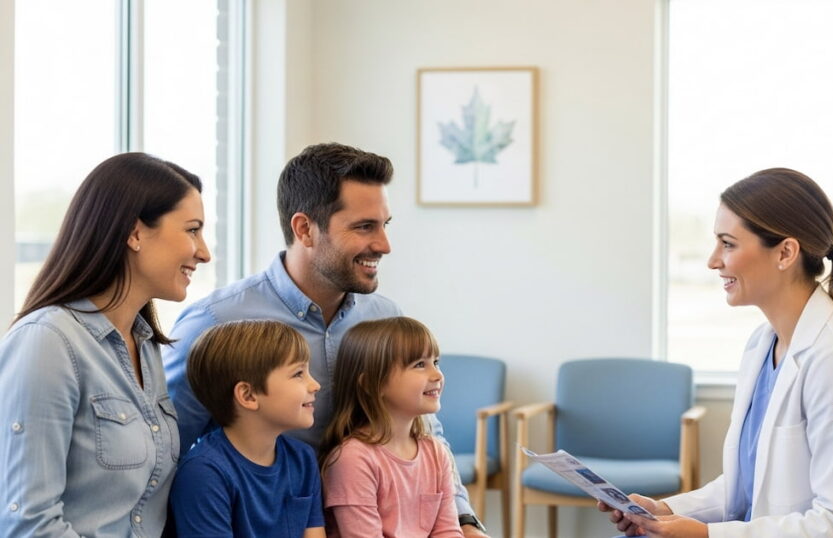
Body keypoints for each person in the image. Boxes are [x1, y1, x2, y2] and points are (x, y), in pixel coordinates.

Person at [163, 142, 490, 536]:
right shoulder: (213, 322)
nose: (384, 245)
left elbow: (425, 430)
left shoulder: (385, 317)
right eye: (364, 227)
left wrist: (466, 519)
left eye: (385, 225)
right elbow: (169, 453)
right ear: (304, 229)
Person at [602, 168, 833, 537]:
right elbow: (745, 489)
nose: (714, 261)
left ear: (785, 253)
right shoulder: (763, 345)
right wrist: (664, 510)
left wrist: (705, 534)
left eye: (728, 244)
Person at [0, 153, 211, 536]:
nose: (204, 252)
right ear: (134, 233)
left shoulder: (146, 346)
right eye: (192, 230)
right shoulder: (47, 343)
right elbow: (29, 524)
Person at [170, 320, 326, 538]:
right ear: (248, 396)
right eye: (298, 373)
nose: (315, 384)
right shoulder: (203, 474)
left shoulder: (303, 459)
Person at [319, 317, 462, 538]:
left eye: (435, 362)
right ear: (371, 384)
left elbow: (449, 532)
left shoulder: (436, 453)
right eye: (419, 365)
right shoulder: (352, 460)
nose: (437, 375)